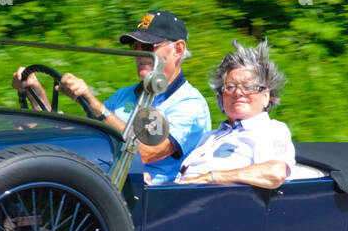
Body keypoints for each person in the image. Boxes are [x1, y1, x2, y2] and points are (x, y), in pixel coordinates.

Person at [12, 10, 211, 185]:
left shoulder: (189, 104)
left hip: (151, 201)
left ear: (178, 49)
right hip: (106, 184)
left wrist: (96, 106)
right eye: (136, 46)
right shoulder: (124, 95)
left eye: (149, 47)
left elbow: (146, 152)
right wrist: (37, 95)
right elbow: (84, 137)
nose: (139, 55)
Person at [176, 39, 295, 189]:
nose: (238, 92)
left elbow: (275, 173)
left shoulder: (270, 130)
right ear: (221, 96)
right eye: (230, 87)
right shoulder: (210, 137)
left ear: (266, 96)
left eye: (248, 86)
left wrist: (211, 178)